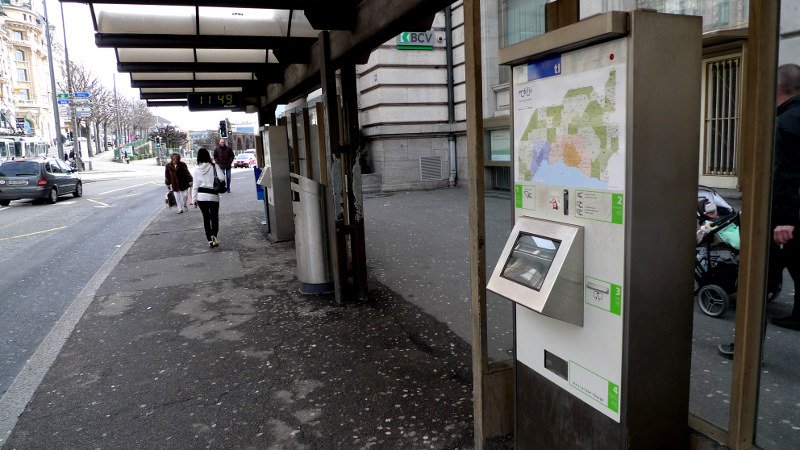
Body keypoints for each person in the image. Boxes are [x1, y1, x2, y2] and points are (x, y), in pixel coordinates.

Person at [718, 64, 800, 359]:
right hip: (793, 213)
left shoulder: (784, 124)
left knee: (756, 279)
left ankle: (746, 349)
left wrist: (785, 219)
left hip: (784, 216)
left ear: (776, 88)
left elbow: (785, 175)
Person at [191, 148, 225, 248]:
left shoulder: (196, 169)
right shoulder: (214, 166)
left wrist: (194, 200)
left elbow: (195, 186)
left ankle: (209, 240)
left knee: (206, 218)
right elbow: (222, 178)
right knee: (214, 217)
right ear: (207, 156)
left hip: (201, 197)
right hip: (213, 196)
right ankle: (214, 235)